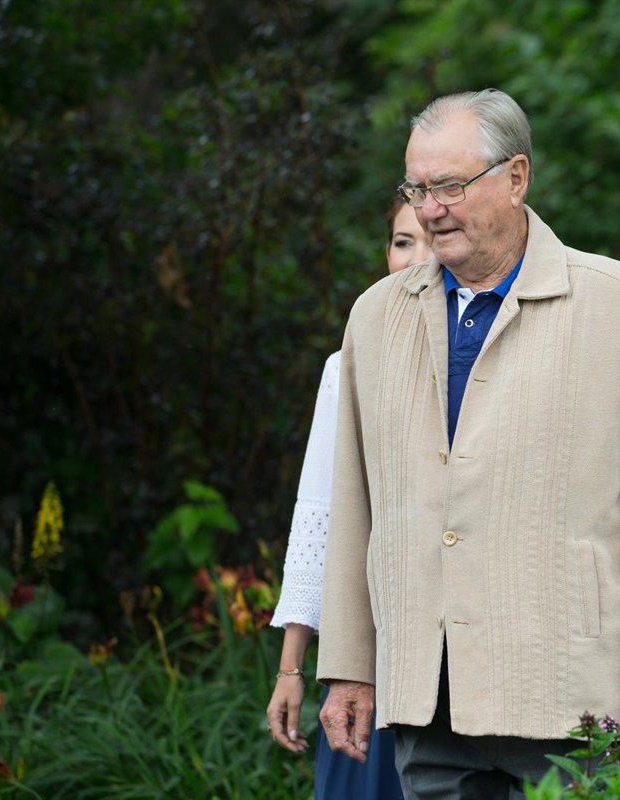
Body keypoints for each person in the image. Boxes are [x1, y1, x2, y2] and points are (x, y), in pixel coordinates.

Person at [315, 88, 620, 799]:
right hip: (431, 696)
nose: (430, 209)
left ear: (516, 176)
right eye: (416, 189)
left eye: (449, 186)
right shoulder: (375, 318)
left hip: (571, 690)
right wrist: (349, 663)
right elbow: (354, 503)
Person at [265, 196, 430, 799]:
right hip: (372, 643)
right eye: (403, 242)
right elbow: (320, 515)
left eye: (432, 240)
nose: (417, 258)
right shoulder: (349, 365)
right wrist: (292, 667)